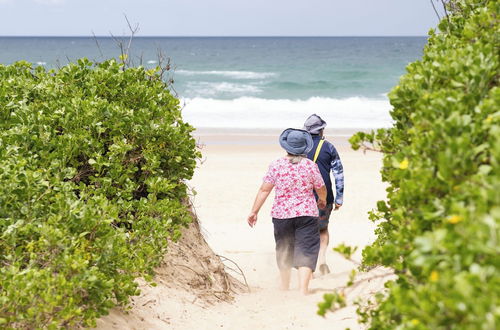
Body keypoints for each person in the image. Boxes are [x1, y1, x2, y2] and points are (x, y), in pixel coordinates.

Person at [247, 128, 327, 295]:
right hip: (306, 213)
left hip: (281, 215)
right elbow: (321, 187)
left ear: (286, 146)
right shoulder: (310, 165)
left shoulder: (276, 164)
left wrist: (254, 211)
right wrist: (322, 200)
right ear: (305, 147)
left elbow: (264, 190)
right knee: (306, 248)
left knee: (284, 248)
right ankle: (303, 290)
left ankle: (284, 286)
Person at [303, 114, 344, 276]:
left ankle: (307, 267)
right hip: (324, 196)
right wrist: (339, 198)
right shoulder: (329, 147)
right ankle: (321, 260)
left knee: (305, 231)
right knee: (322, 229)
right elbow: (339, 174)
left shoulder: (299, 148)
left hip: (303, 196)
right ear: (321, 130)